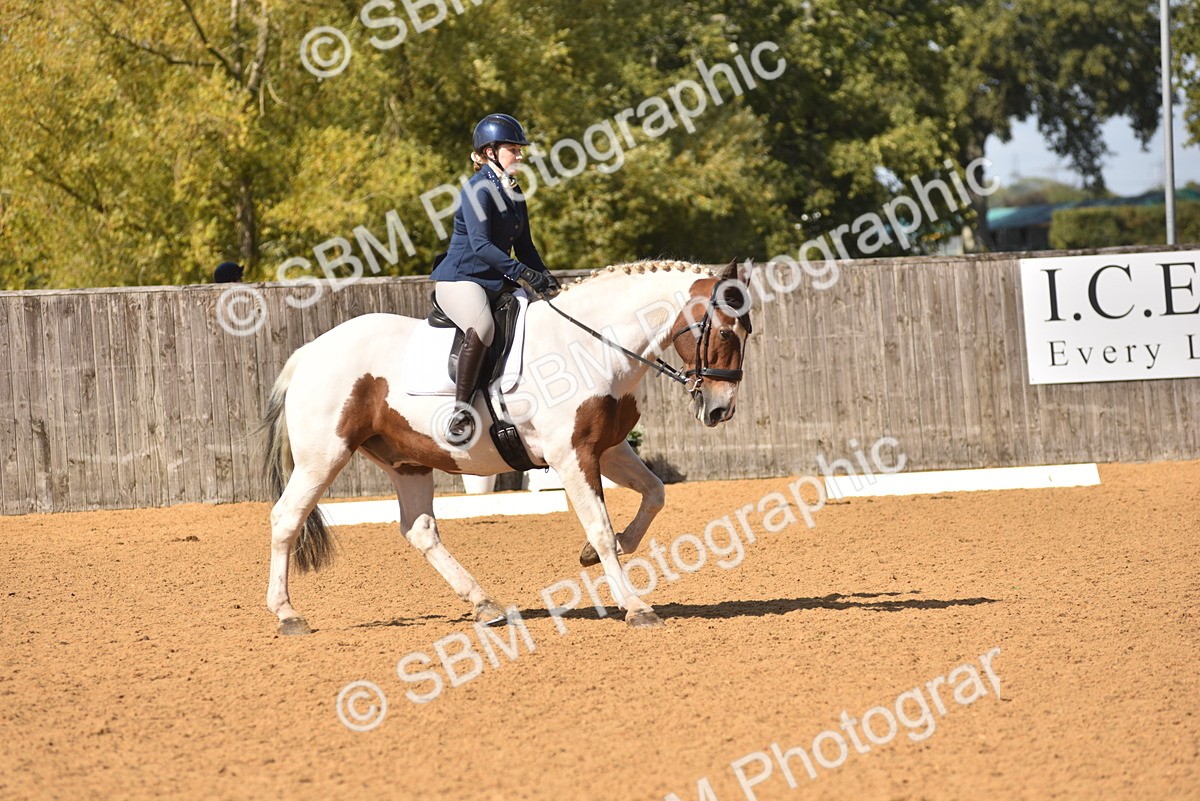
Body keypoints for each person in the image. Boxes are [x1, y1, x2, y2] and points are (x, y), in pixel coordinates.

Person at [430, 113, 560, 446]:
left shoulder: (514, 191)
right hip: (461, 278)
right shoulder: (477, 190)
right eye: (513, 149)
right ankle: (460, 413)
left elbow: (526, 247)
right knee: (484, 328)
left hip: (493, 280)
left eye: (520, 150)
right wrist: (521, 273)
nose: (520, 155)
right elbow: (481, 246)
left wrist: (547, 281)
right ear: (490, 152)